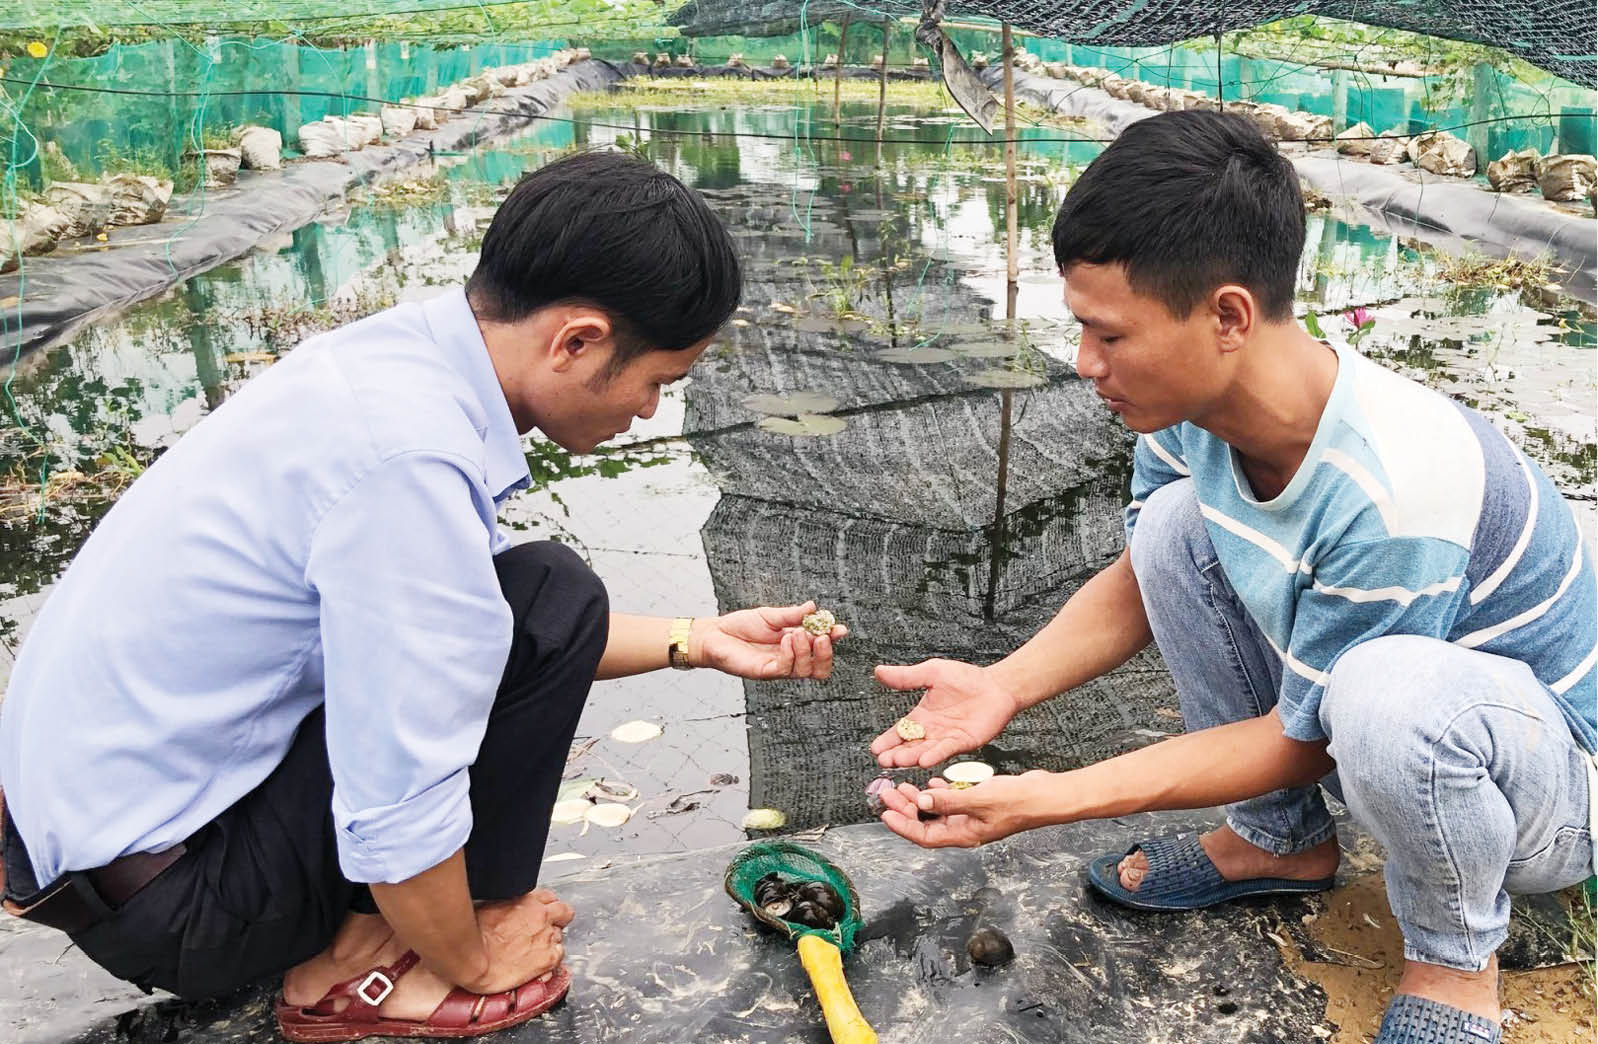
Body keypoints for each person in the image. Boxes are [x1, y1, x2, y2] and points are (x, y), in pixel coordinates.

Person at [0, 150, 846, 1041]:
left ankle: (395, 931)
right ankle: (366, 974)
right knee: (549, 591)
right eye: (658, 383)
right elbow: (398, 793)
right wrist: (473, 961)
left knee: (545, 596)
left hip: (106, 852)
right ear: (577, 340)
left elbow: (479, 629)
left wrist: (698, 639)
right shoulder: (407, 462)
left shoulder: (389, 370)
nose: (646, 411)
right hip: (183, 905)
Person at [870, 111, 1594, 1044]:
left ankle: (1454, 961)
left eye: (1109, 336)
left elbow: (1307, 740)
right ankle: (1276, 842)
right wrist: (1002, 687)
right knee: (1175, 528)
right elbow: (1143, 580)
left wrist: (1051, 797)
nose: (1086, 365)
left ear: (1227, 316)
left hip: (1546, 787)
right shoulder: (1187, 410)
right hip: (1400, 726)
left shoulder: (1395, 486)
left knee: (1388, 693)